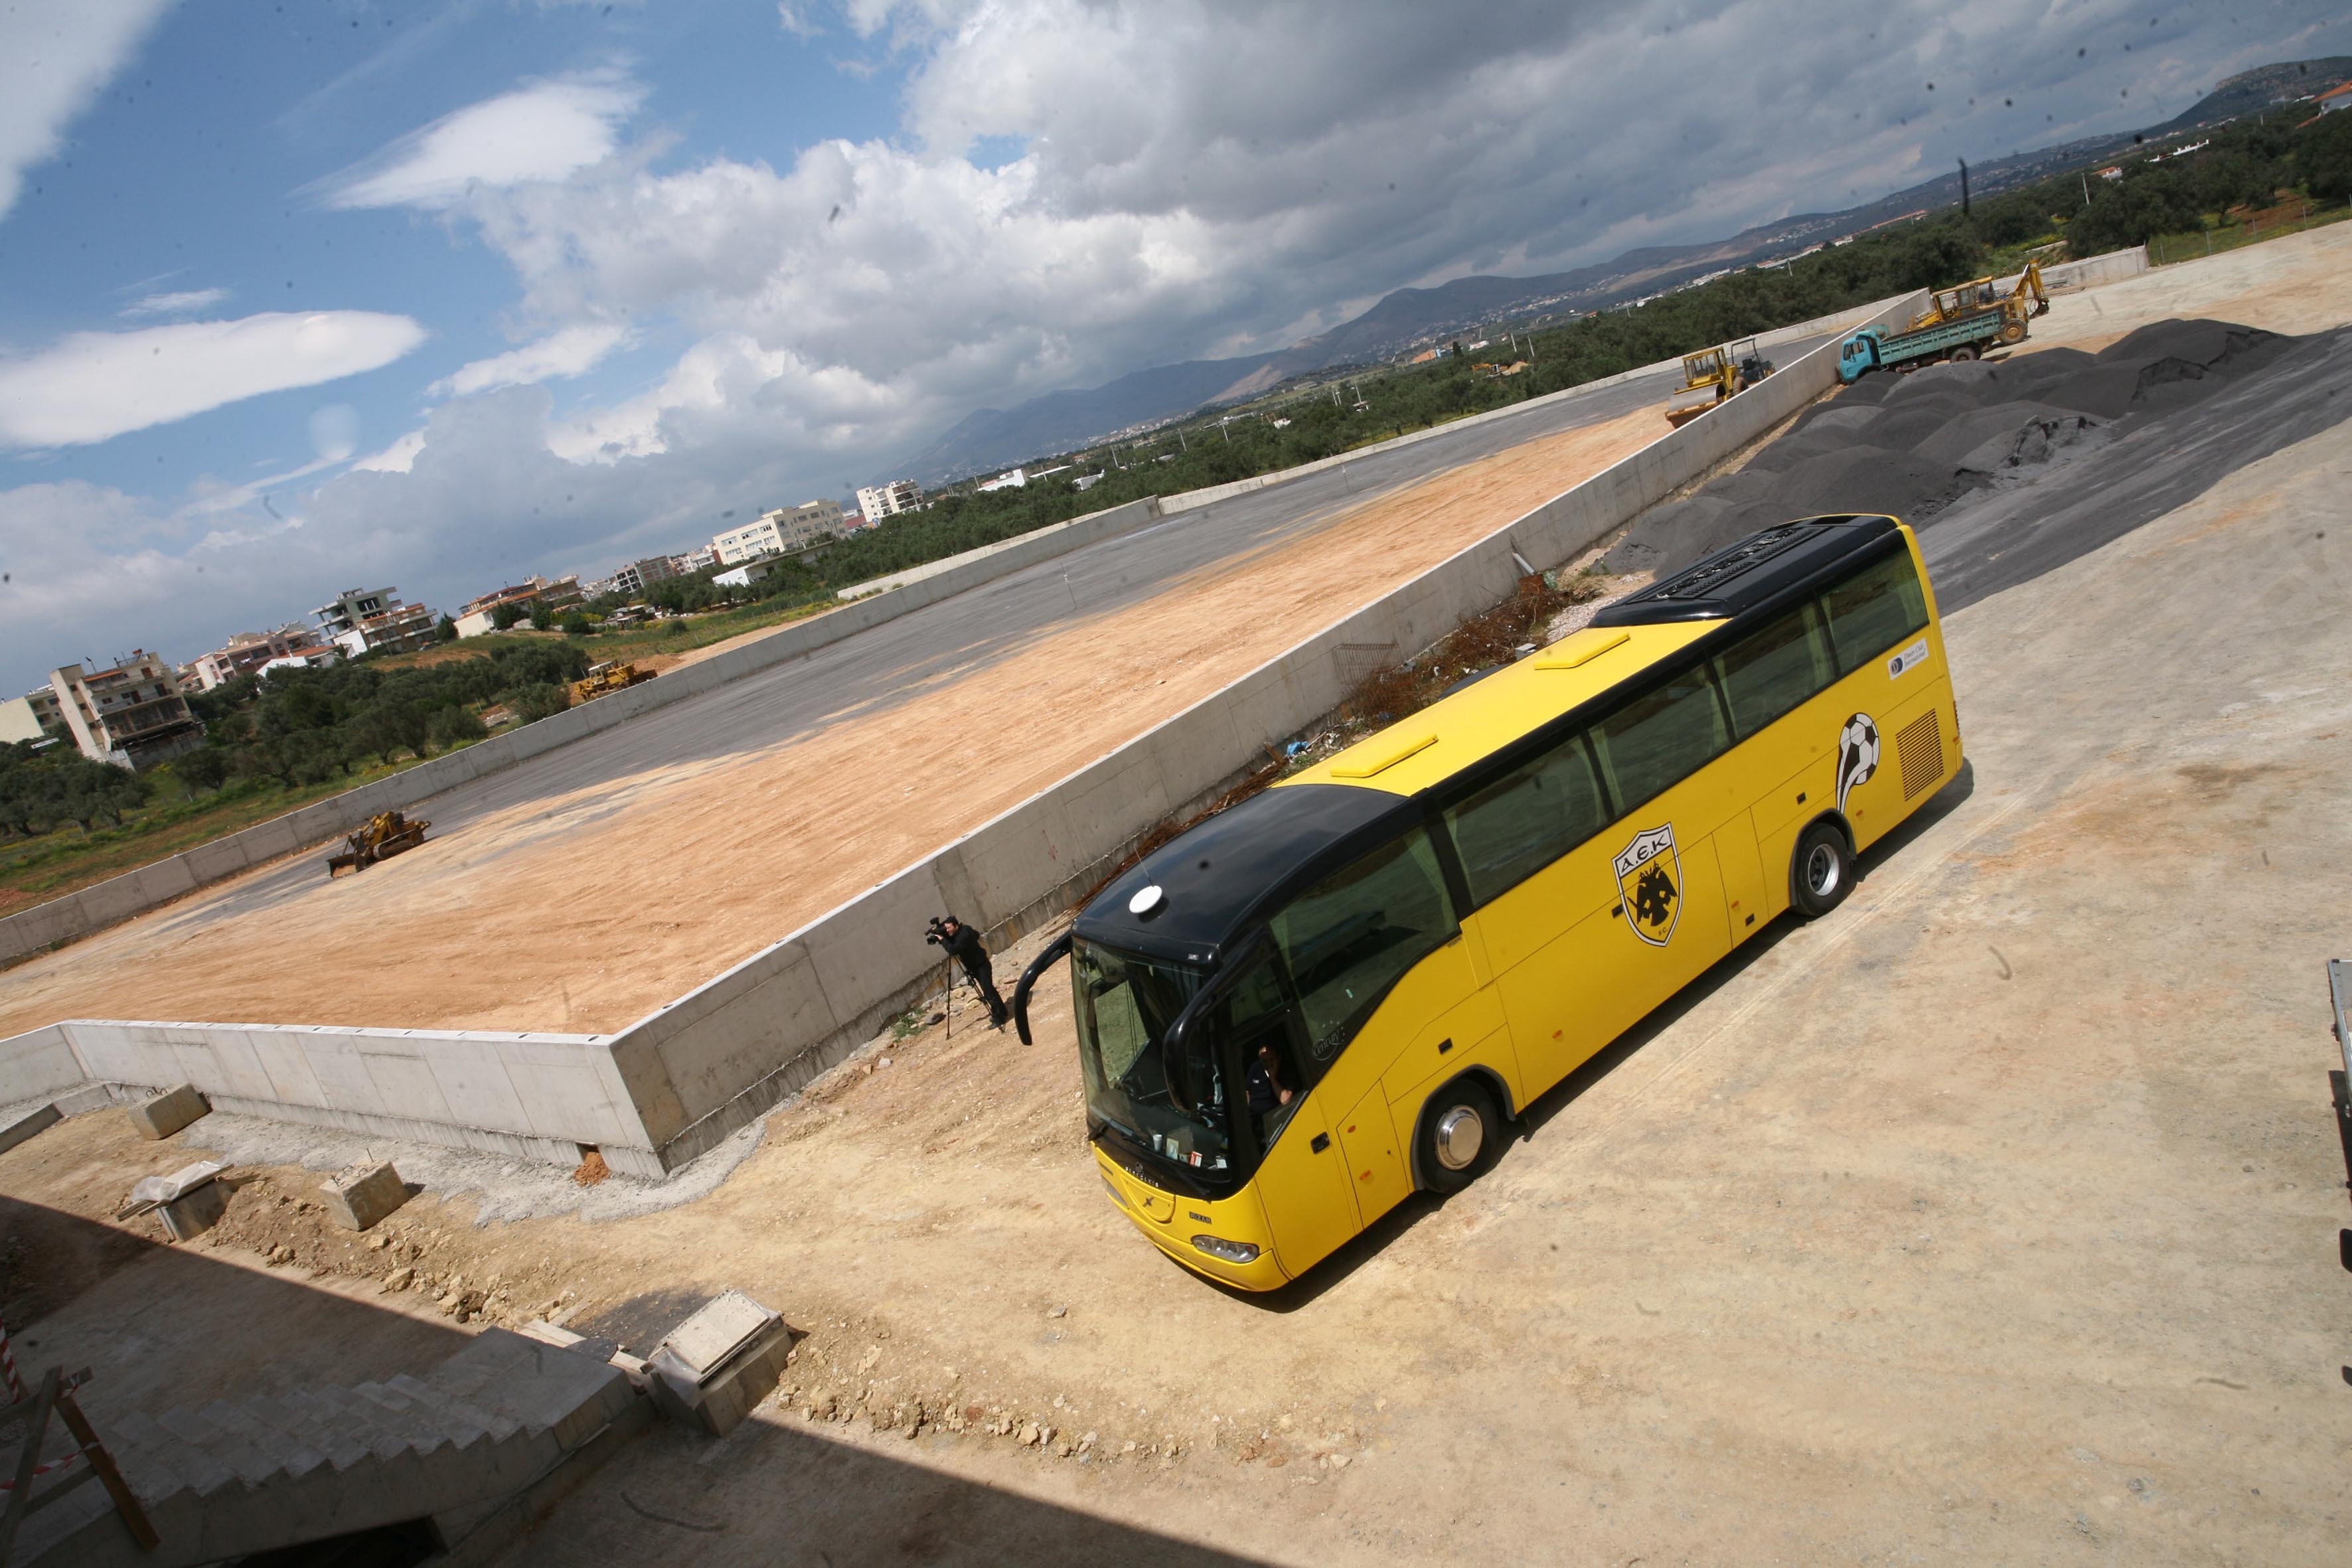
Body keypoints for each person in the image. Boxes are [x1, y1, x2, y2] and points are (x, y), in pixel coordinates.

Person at [936, 915, 1009, 1029]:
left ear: (955, 926)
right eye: (946, 929)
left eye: (949, 928)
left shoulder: (963, 934)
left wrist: (943, 940)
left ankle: (999, 1019)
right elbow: (976, 935)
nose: (947, 931)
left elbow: (953, 950)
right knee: (989, 990)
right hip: (977, 967)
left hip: (981, 967)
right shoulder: (965, 930)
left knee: (989, 993)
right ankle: (1002, 1011)